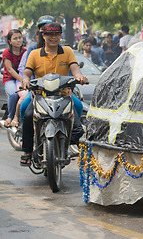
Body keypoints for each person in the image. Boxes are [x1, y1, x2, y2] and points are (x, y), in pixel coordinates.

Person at [20, 23, 88, 166]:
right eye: (49, 34)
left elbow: (75, 69)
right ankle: (27, 150)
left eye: (56, 34)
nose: (53, 37)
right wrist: (25, 81)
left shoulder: (67, 51)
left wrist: (79, 77)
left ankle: (81, 147)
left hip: (63, 95)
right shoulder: (34, 54)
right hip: (40, 96)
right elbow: (27, 74)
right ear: (43, 36)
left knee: (78, 112)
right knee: (26, 115)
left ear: (60, 35)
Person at [2, 29, 26, 127]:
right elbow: (10, 70)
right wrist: (22, 80)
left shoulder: (26, 51)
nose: (18, 40)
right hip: (10, 79)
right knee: (14, 94)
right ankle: (10, 117)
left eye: (20, 37)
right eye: (15, 38)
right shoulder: (6, 53)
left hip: (24, 79)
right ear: (10, 41)